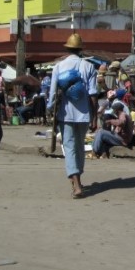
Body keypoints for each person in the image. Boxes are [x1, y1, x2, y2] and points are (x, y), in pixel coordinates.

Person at [48, 33, 98, 199]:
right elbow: (93, 94)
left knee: (69, 147)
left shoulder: (59, 67)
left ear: (68, 49)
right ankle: (78, 178)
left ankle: (76, 182)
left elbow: (53, 94)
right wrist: (94, 116)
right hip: (84, 114)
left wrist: (50, 110)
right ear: (80, 49)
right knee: (79, 147)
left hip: (66, 113)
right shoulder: (89, 66)